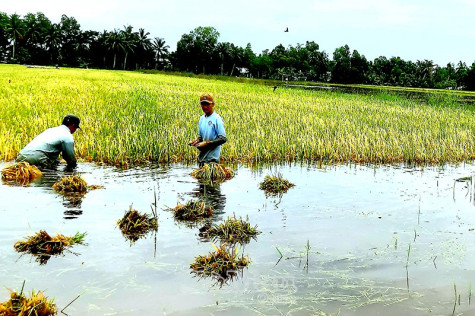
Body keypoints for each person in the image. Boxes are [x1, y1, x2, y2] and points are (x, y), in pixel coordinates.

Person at [16, 114, 80, 169]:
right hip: (36, 159)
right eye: (76, 128)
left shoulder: (50, 130)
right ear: (73, 126)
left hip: (21, 157)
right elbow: (70, 158)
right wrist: (73, 168)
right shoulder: (67, 135)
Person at [189, 93, 227, 166]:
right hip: (202, 159)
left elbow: (223, 139)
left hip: (212, 162)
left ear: (212, 104)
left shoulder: (217, 119)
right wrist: (196, 141)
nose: (205, 107)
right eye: (203, 104)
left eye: (207, 104)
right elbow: (201, 137)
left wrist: (207, 143)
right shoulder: (201, 119)